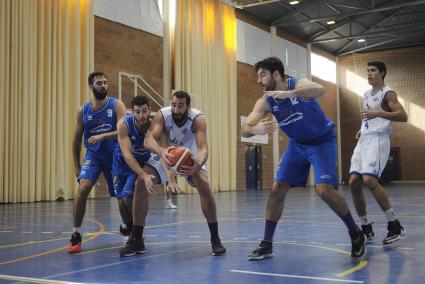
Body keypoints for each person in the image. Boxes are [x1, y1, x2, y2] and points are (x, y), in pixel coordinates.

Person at [241, 56, 365, 260]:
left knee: (324, 190)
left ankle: (355, 232)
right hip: (297, 145)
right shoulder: (265, 100)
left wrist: (290, 93)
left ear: (276, 74)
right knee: (277, 188)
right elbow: (244, 130)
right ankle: (267, 244)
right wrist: (255, 128)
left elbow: (319, 89)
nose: (259, 80)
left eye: (263, 75)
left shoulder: (297, 83)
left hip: (322, 141)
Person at [141, 90, 226, 256]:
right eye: (173, 105)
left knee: (204, 184)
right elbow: (148, 140)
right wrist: (161, 151)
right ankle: (136, 238)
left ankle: (215, 238)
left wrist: (198, 164)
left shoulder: (197, 118)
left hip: (188, 154)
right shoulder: (162, 115)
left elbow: (203, 148)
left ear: (188, 106)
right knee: (140, 183)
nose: (176, 109)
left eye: (180, 106)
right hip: (165, 153)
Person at [349, 61, 407, 244]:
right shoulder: (366, 94)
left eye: (373, 70)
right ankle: (366, 226)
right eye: (367, 71)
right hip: (365, 138)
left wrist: (378, 115)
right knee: (353, 182)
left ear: (382, 73)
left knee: (369, 179)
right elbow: (368, 116)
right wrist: (363, 128)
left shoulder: (388, 93)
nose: (369, 73)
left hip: (379, 139)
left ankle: (395, 225)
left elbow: (403, 116)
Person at [68, 72, 127, 253]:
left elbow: (123, 131)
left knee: (119, 195)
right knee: (83, 188)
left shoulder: (116, 105)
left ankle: (127, 227)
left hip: (114, 156)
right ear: (91, 86)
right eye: (98, 83)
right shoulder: (83, 110)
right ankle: (76, 234)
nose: (103, 85)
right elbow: (77, 140)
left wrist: (102, 135)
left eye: (105, 83)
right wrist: (76, 165)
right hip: (93, 156)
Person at [113, 95, 172, 249]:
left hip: (140, 163)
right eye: (138, 112)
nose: (141, 115)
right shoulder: (123, 125)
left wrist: (169, 180)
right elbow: (127, 155)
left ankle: (135, 234)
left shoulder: (155, 126)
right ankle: (127, 225)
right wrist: (144, 175)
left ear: (149, 110)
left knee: (129, 196)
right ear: (132, 111)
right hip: (122, 161)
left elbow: (165, 152)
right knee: (120, 199)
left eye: (144, 111)